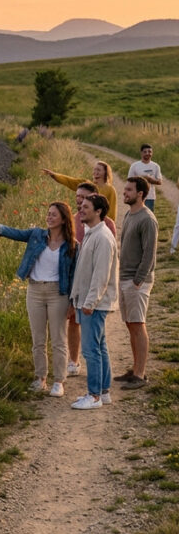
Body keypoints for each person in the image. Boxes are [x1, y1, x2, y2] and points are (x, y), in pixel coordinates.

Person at [0, 202, 77, 397]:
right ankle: (40, 378)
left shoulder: (72, 245)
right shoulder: (37, 235)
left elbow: (74, 275)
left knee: (58, 338)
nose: (49, 217)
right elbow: (17, 233)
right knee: (38, 339)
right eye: (48, 214)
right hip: (35, 291)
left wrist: (73, 303)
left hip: (58, 293)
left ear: (64, 219)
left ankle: (59, 381)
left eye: (54, 215)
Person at [69, 194, 119, 410]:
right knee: (100, 346)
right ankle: (104, 391)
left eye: (86, 207)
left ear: (98, 211)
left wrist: (90, 302)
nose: (81, 209)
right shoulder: (93, 233)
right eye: (81, 206)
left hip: (94, 304)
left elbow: (101, 275)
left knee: (91, 350)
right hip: (89, 302)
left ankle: (94, 395)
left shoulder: (103, 238)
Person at [115, 176, 157, 390]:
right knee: (130, 324)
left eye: (129, 190)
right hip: (125, 278)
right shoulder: (130, 215)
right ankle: (135, 368)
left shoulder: (147, 219)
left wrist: (138, 279)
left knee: (138, 325)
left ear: (140, 193)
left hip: (137, 281)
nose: (125, 193)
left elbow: (149, 252)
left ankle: (140, 375)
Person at [43, 161, 118, 221]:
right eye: (94, 169)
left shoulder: (110, 189)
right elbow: (70, 181)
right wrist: (54, 175)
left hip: (100, 223)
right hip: (85, 219)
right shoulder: (87, 184)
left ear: (105, 173)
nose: (95, 172)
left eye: (98, 170)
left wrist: (107, 224)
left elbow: (112, 212)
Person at [127, 144, 162, 212]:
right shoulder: (134, 166)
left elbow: (159, 181)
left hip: (150, 197)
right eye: (145, 152)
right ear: (141, 153)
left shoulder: (155, 166)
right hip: (137, 196)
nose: (147, 153)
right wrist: (141, 179)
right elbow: (129, 180)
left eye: (149, 152)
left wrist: (150, 180)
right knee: (136, 215)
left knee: (148, 216)